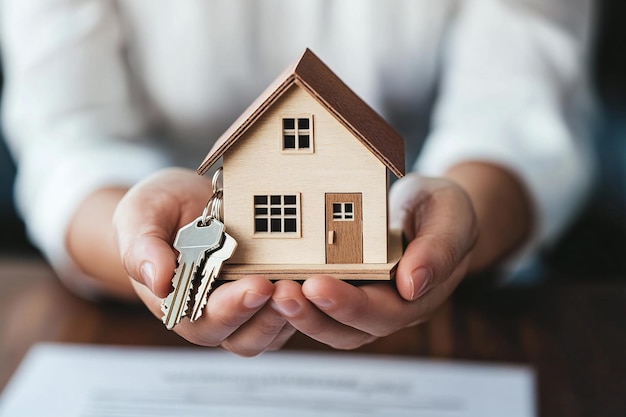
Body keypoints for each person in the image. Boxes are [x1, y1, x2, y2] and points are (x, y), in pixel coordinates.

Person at [1, 0, 594, 356]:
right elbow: (69, 136)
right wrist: (130, 240)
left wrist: (464, 219)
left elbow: (518, 114)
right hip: (129, 314)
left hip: (469, 307)